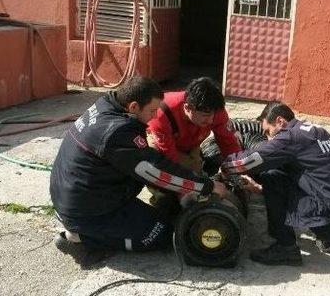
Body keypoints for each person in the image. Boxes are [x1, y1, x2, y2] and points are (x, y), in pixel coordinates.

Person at [50, 76, 226, 263]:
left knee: (163, 219)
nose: (155, 115)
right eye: (152, 110)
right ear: (133, 106)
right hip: (89, 210)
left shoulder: (108, 104)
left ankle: (93, 227)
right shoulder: (115, 132)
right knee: (166, 235)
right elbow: (156, 172)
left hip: (89, 195)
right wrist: (206, 186)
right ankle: (80, 239)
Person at [221, 102, 330, 266]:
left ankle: (285, 248)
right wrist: (261, 189)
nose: (268, 139)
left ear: (280, 122)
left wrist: (225, 167)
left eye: (268, 132)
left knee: (271, 176)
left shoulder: (290, 137)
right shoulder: (316, 130)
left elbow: (251, 160)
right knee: (283, 171)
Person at [146, 77, 241, 213]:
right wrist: (183, 190)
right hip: (163, 148)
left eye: (214, 115)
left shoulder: (215, 110)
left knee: (196, 181)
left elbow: (228, 142)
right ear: (187, 108)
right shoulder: (161, 115)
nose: (211, 120)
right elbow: (170, 162)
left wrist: (238, 170)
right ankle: (161, 212)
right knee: (166, 187)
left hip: (191, 144)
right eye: (205, 115)